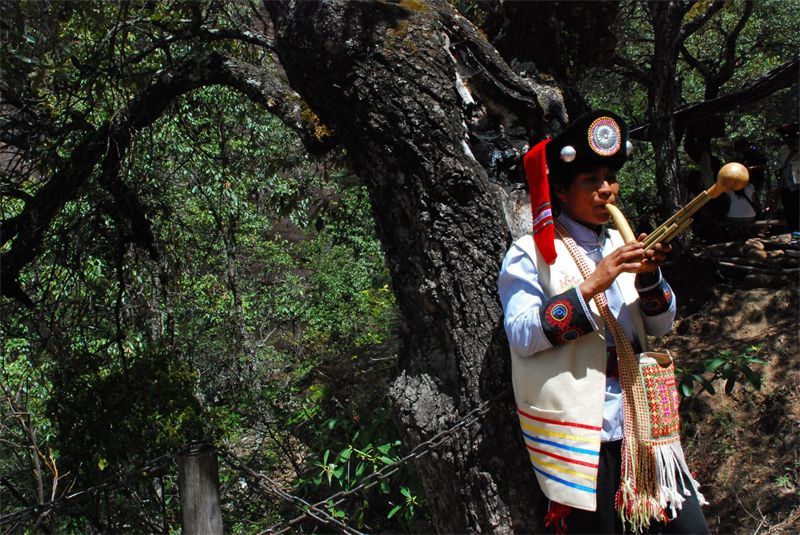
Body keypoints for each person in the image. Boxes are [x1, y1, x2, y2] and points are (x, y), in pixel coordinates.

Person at [498, 111, 709, 534]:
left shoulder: (621, 242)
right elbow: (521, 334)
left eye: (610, 177)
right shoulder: (529, 254)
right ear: (560, 189)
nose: (606, 190)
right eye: (589, 180)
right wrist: (594, 283)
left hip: (646, 422)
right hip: (584, 432)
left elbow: (660, 325)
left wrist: (648, 278)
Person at [774, 123, 799, 232]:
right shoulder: (783, 149)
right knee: (790, 215)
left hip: (798, 188)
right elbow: (778, 166)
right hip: (786, 187)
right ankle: (794, 239)